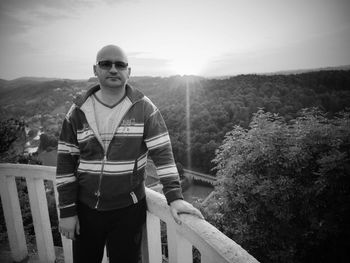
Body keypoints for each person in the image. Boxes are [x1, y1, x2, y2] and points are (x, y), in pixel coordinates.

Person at [56, 45, 204, 263]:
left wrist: (175, 197)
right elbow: (65, 163)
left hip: (128, 210)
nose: (113, 69)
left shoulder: (144, 108)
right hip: (86, 208)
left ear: (129, 71)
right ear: (95, 69)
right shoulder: (77, 111)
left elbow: (163, 154)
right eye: (106, 64)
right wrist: (67, 211)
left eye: (120, 64)